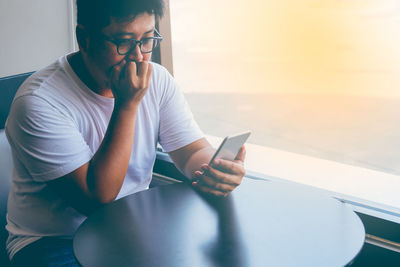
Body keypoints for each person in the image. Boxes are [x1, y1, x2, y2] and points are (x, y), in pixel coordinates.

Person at [4, 0, 246, 266]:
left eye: (147, 40)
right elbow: (97, 198)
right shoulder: (39, 102)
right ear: (84, 39)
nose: (139, 56)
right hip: (54, 242)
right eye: (124, 41)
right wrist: (128, 104)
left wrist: (214, 168)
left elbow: (190, 151)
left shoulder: (159, 80)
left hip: (129, 229)